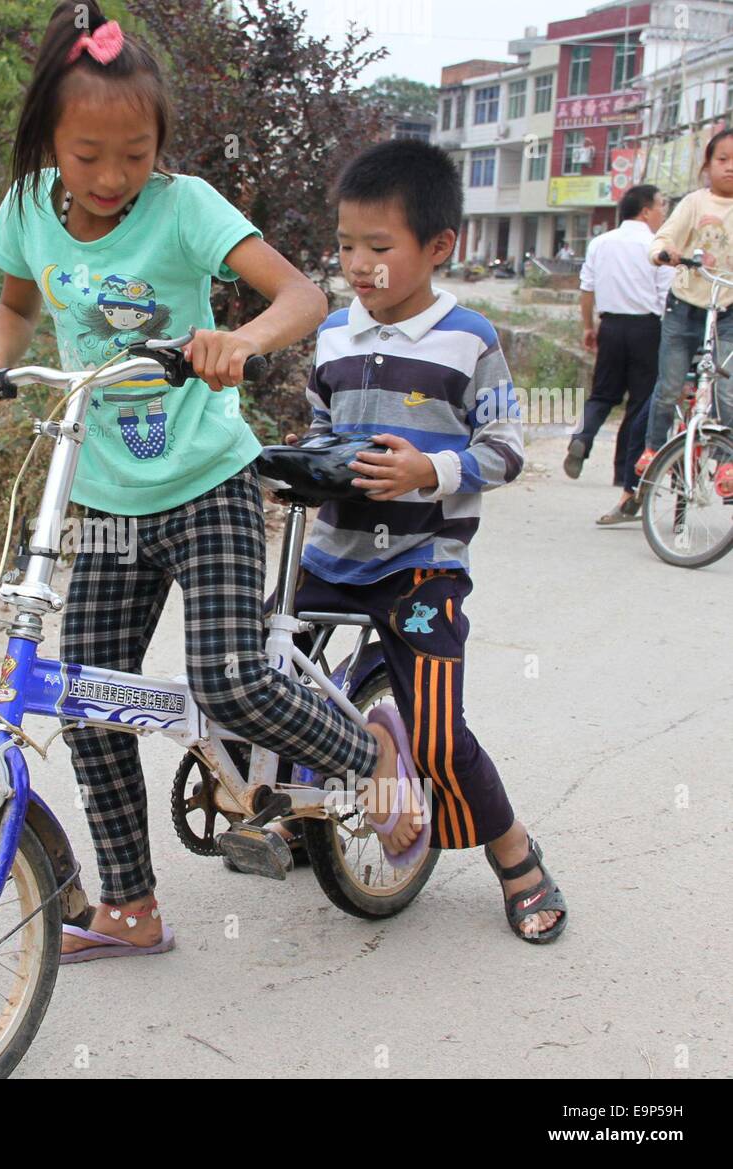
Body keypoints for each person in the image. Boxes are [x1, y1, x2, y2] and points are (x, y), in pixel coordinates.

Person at [0, 1, 412, 962]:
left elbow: (303, 296)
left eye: (136, 152)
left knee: (232, 676)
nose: (114, 178)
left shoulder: (186, 204)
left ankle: (370, 756)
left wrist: (238, 339)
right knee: (84, 698)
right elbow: (15, 307)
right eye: (88, 155)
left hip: (207, 480)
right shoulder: (28, 209)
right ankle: (129, 906)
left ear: (160, 142)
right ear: (47, 142)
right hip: (103, 493)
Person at [260, 140, 568, 943]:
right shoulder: (331, 334)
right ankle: (297, 813)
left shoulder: (468, 339)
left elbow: (505, 447)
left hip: (422, 567)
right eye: (345, 245)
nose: (358, 265)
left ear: (439, 248)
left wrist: (428, 468)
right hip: (330, 556)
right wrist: (293, 464)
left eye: (379, 247)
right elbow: (325, 434)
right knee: (266, 675)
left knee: (434, 733)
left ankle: (516, 855)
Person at [564, 185, 672, 524]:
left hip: (610, 326)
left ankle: (581, 438)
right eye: (661, 206)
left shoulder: (600, 243)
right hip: (646, 330)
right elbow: (666, 297)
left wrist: (588, 327)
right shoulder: (657, 247)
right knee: (640, 404)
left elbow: (587, 291)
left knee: (602, 395)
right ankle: (623, 472)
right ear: (644, 211)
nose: (664, 213)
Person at [637, 127, 733, 499]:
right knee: (670, 386)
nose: (729, 168)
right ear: (707, 165)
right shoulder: (695, 202)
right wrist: (664, 253)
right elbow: (663, 238)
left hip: (727, 310)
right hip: (685, 307)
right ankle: (653, 448)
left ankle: (726, 463)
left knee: (727, 391)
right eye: (722, 159)